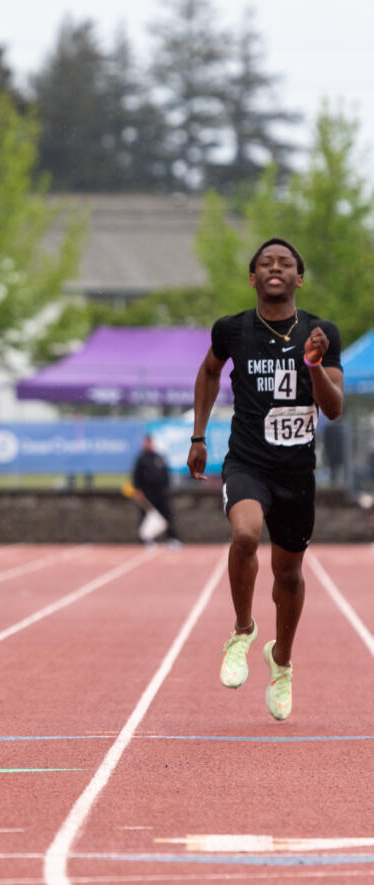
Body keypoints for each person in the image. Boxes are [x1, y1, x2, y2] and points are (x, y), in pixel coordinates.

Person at [189, 237, 343, 722]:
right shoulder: (232, 330)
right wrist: (198, 435)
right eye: (265, 263)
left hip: (296, 471)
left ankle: (282, 662)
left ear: (299, 278)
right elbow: (209, 374)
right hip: (247, 462)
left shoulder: (321, 331)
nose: (275, 268)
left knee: (290, 575)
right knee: (245, 534)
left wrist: (315, 366)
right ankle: (242, 629)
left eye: (286, 263)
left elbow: (334, 409)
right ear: (253, 278)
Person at [130, 434, 181, 548]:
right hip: (147, 492)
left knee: (167, 515)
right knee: (146, 516)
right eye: (146, 442)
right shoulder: (141, 459)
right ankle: (145, 539)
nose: (148, 444)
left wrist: (166, 487)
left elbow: (165, 473)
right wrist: (137, 490)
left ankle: (171, 538)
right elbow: (136, 476)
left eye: (150, 442)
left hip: (161, 492)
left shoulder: (159, 457)